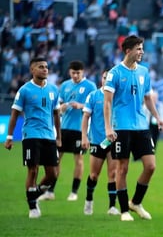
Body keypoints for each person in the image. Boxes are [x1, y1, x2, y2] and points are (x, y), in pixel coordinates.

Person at [103, 35, 163, 221]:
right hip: (121, 127)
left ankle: (135, 202)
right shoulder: (115, 73)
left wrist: (157, 117)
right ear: (128, 50)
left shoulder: (144, 72)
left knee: (151, 166)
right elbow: (107, 103)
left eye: (142, 48)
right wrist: (108, 127)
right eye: (138, 48)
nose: (142, 52)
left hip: (141, 126)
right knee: (122, 168)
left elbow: (148, 98)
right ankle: (123, 210)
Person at [4, 57, 61, 218]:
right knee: (33, 170)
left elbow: (56, 115)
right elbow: (14, 114)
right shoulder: (25, 90)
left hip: (49, 136)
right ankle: (32, 207)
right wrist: (9, 137)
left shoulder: (53, 90)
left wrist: (59, 137)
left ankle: (33, 196)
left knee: (52, 175)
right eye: (41, 67)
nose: (45, 69)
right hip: (31, 134)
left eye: (46, 67)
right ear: (32, 70)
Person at [39, 60, 97, 201]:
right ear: (69, 72)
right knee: (56, 159)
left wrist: (81, 105)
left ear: (82, 72)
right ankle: (50, 191)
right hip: (63, 129)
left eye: (78, 73)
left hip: (79, 129)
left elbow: (96, 106)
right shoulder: (64, 85)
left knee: (79, 160)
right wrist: (62, 107)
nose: (75, 75)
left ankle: (74, 192)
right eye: (73, 73)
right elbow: (58, 104)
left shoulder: (90, 86)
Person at [81, 69, 120, 216]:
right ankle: (89, 200)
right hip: (97, 141)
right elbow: (85, 117)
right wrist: (84, 137)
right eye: (104, 77)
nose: (106, 80)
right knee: (94, 175)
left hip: (114, 141)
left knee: (113, 173)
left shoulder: (117, 96)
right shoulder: (93, 95)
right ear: (101, 79)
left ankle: (112, 206)